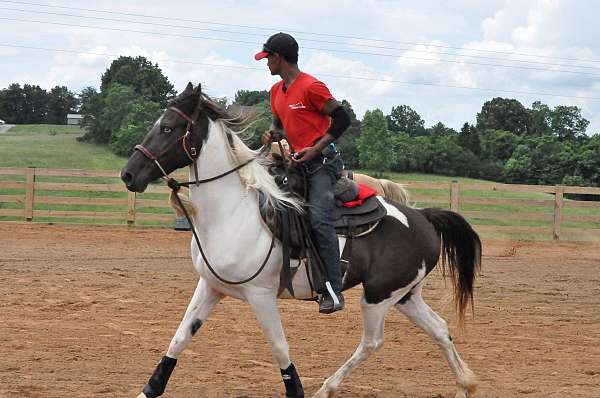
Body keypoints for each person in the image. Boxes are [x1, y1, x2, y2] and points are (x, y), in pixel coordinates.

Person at [255, 32, 351, 314]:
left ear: (279, 58)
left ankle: (333, 289)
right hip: (297, 163)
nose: (265, 63)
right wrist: (273, 133)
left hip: (323, 164)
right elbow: (283, 125)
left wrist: (315, 148)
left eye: (267, 57)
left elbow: (343, 118)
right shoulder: (276, 92)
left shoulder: (312, 87)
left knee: (319, 219)